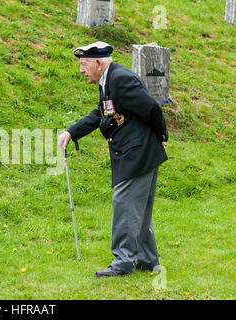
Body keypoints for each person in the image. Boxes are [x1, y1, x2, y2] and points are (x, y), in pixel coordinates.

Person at [57, 41, 169, 277]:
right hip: (139, 152)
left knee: (125, 205)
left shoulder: (119, 79)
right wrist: (72, 132)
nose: (81, 70)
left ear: (98, 63)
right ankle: (146, 259)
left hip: (137, 153)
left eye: (84, 64)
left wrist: (161, 134)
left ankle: (123, 261)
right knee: (139, 209)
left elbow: (151, 107)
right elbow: (102, 112)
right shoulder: (109, 81)